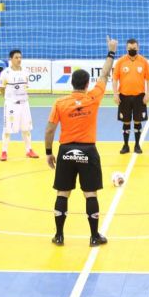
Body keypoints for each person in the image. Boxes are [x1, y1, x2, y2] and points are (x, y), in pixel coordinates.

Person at [45, 36, 118, 247]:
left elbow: (50, 129)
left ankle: (59, 235)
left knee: (63, 193)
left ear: (71, 83)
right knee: (90, 193)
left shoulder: (60, 103)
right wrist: (111, 52)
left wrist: (49, 152)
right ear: (87, 84)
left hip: (66, 150)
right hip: (87, 150)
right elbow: (104, 74)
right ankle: (94, 236)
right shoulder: (93, 98)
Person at [0, 49, 39, 161]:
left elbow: (26, 87)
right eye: (16, 57)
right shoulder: (5, 73)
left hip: (24, 104)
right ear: (11, 59)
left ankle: (29, 150)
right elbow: (1, 88)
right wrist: (8, 99)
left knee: (26, 128)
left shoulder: (25, 72)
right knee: (7, 129)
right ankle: (4, 152)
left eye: (20, 57)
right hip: (11, 105)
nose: (19, 59)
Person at [112, 38, 149, 154]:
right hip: (124, 96)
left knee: (138, 121)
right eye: (130, 49)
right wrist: (115, 94)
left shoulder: (144, 62)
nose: (132, 50)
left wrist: (148, 94)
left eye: (134, 48)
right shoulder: (120, 61)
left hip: (139, 96)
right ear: (126, 48)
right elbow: (115, 79)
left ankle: (137, 145)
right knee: (126, 122)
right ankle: (125, 146)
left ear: (138, 48)